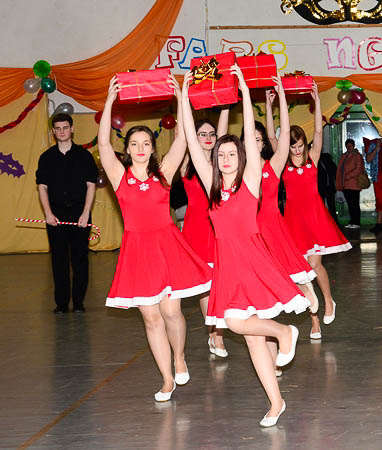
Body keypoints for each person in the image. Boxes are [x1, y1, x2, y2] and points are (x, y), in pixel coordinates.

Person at [181, 67, 307, 426]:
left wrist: (246, 92)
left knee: (238, 325)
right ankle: (276, 401)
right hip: (227, 265)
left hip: (254, 261)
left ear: (242, 157)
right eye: (221, 155)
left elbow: (251, 139)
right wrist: (185, 96)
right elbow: (191, 139)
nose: (225, 159)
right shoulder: (211, 185)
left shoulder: (251, 182)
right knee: (250, 335)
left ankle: (284, 333)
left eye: (231, 154)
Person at [100, 74, 212, 401]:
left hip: (167, 248)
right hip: (137, 252)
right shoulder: (119, 177)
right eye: (134, 144)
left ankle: (179, 357)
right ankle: (165, 378)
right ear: (127, 149)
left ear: (152, 148)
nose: (140, 149)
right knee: (150, 318)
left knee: (171, 312)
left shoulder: (163, 174)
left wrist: (180, 99)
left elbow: (182, 140)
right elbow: (103, 144)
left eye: (145, 144)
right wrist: (109, 102)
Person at [256, 81, 320, 376]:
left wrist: (277, 99)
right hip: (251, 233)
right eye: (252, 139)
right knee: (263, 295)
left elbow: (277, 137)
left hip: (273, 225)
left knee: (288, 270)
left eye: (260, 140)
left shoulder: (274, 165)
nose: (258, 143)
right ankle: (272, 359)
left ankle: (306, 287)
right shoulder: (240, 169)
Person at [282, 83, 352, 339]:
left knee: (314, 265)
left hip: (314, 218)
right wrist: (272, 103)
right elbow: (273, 137)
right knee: (302, 274)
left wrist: (317, 100)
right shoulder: (282, 164)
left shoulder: (312, 157)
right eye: (293, 146)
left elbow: (319, 130)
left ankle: (329, 301)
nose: (297, 150)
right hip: (293, 221)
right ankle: (314, 322)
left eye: (300, 144)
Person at [36, 113, 98, 313]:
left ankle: (78, 302)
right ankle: (61, 304)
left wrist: (86, 213)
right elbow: (42, 187)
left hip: (80, 213)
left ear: (72, 129)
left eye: (65, 127)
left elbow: (91, 186)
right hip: (55, 214)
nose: (62, 131)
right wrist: (48, 213)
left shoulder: (84, 156)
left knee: (80, 259)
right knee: (59, 260)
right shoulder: (46, 158)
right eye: (58, 128)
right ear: (53, 131)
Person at [180, 108, 230, 358]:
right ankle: (215, 334)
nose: (209, 138)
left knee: (221, 283)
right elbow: (183, 135)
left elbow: (223, 132)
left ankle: (216, 331)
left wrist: (226, 105)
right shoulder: (186, 162)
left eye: (212, 134)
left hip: (220, 227)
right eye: (203, 134)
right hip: (196, 230)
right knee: (206, 287)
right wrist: (183, 102)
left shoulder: (221, 162)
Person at [336, 138, 365, 228]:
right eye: (347, 146)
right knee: (350, 204)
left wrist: (348, 175)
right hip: (345, 184)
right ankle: (352, 221)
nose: (348, 147)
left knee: (354, 204)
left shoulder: (357, 156)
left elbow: (359, 169)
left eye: (350, 146)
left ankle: (356, 222)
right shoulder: (344, 156)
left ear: (353, 146)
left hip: (354, 184)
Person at [317, 150, 339, 221]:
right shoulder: (326, 159)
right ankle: (333, 222)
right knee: (329, 206)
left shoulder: (320, 160)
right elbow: (335, 171)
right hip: (326, 187)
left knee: (327, 206)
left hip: (325, 187)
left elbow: (334, 171)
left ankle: (331, 222)